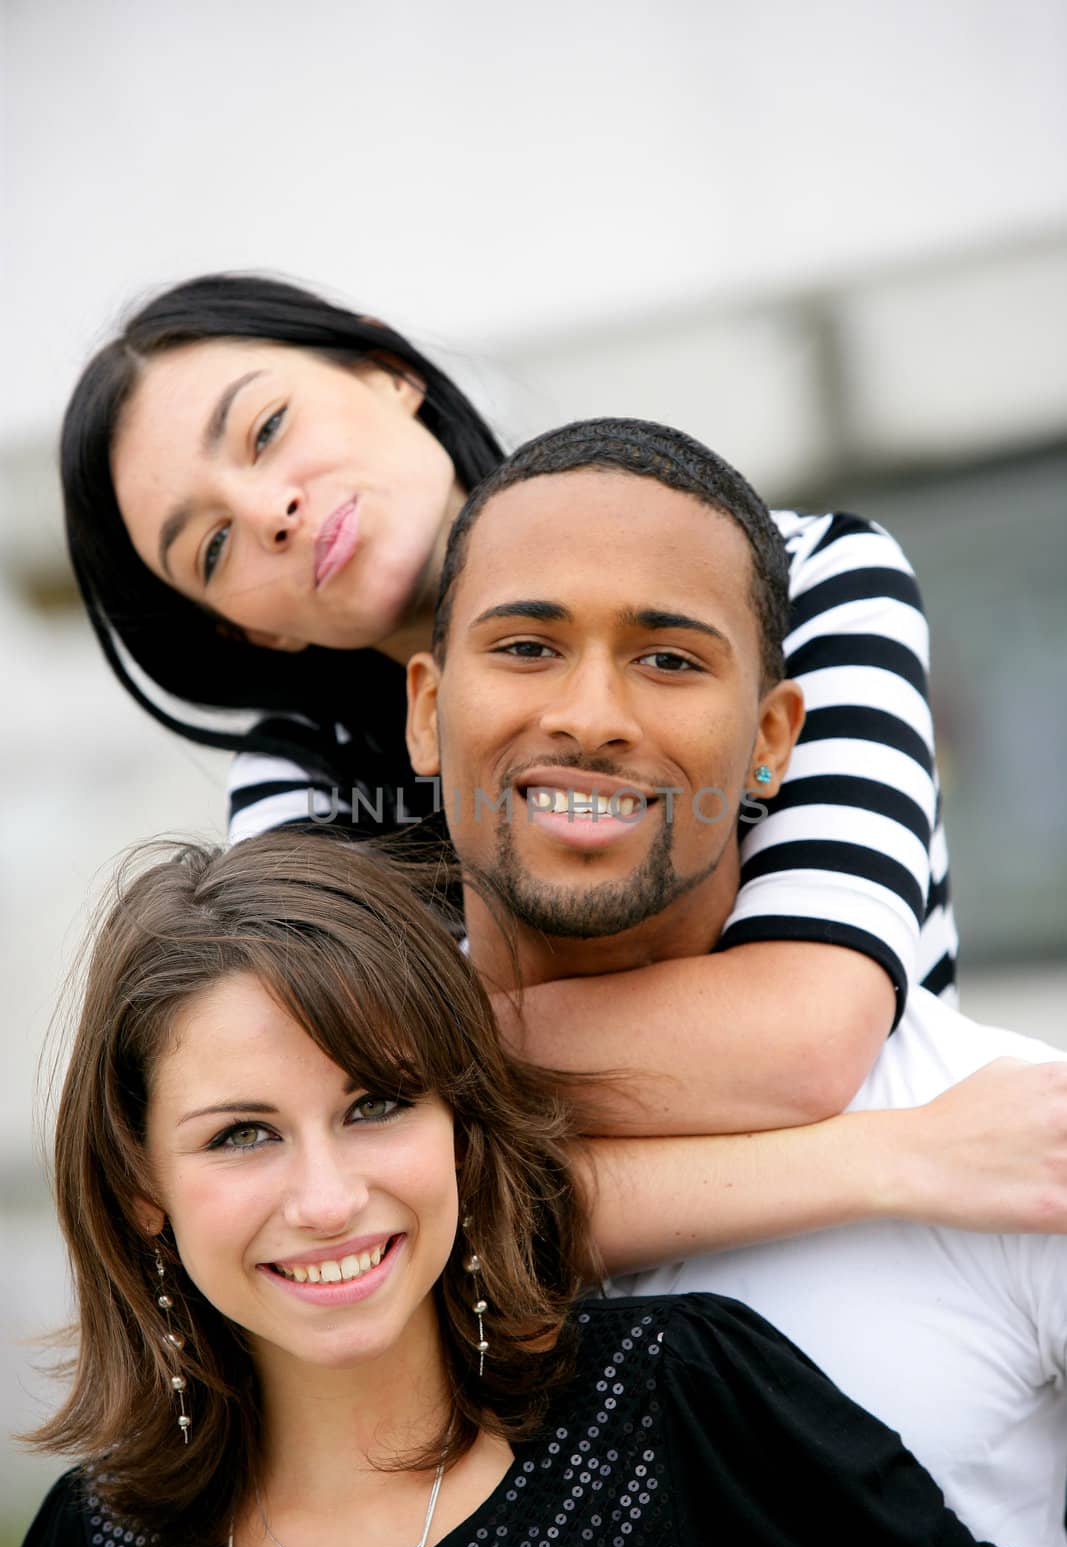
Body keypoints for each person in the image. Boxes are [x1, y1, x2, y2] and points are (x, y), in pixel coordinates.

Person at [64, 272, 954, 1158]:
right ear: (248, 631)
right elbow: (382, 1162)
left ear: (387, 370)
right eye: (212, 545)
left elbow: (803, 1038)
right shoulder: (302, 783)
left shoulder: (806, 578)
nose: (272, 512)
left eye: (266, 429)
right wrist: (885, 1167)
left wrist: (408, 1059)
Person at [403, 415, 1067, 1547]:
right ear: (422, 710)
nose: (590, 714)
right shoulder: (311, 1165)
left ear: (771, 741)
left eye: (667, 659)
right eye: (524, 646)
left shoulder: (1015, 1135)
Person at [16, 832, 1030, 1547]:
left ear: (458, 1125)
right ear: (141, 1185)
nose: (325, 1199)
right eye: (241, 1134)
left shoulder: (677, 1405)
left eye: (375, 1105)